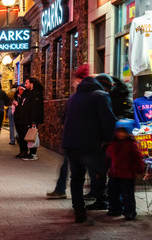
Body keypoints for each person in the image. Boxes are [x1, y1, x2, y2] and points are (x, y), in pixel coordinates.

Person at [62, 64, 116, 224]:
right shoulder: (100, 95)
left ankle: (79, 211)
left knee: (76, 178)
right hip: (91, 144)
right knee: (98, 173)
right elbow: (108, 121)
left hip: (71, 144)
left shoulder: (73, 97)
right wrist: (107, 139)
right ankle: (102, 200)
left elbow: (64, 119)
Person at [105, 119, 145, 220]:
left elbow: (137, 158)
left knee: (127, 195)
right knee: (112, 193)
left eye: (123, 132)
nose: (120, 134)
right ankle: (114, 209)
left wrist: (140, 170)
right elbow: (107, 158)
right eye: (119, 131)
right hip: (114, 174)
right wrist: (102, 169)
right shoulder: (112, 145)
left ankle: (129, 212)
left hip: (127, 175)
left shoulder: (131, 145)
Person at [15, 77, 44, 160]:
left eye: (27, 83)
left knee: (31, 136)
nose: (25, 85)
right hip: (23, 120)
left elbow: (35, 109)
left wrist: (34, 121)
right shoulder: (27, 93)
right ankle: (26, 152)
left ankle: (33, 154)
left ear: (32, 84)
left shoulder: (36, 94)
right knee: (25, 136)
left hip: (30, 120)